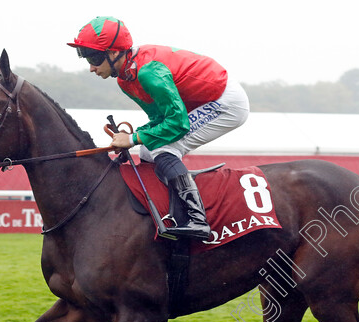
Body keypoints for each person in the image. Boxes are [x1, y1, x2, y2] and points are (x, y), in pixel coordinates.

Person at [68, 16, 250, 241]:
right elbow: (158, 118)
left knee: (165, 150)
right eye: (86, 58)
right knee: (147, 151)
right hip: (200, 102)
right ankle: (164, 214)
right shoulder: (124, 80)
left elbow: (177, 124)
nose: (91, 67)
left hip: (225, 102)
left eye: (94, 58)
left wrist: (133, 138)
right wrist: (130, 137)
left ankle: (198, 220)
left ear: (114, 53)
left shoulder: (148, 73)